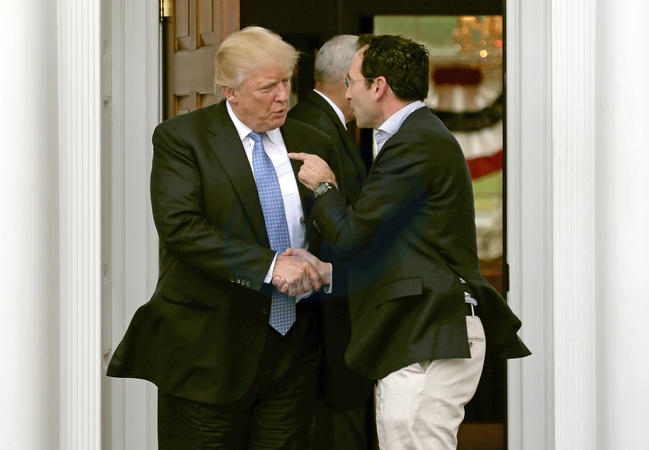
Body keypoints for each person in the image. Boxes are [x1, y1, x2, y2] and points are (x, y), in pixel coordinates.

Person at [283, 34, 531, 450]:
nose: (348, 95)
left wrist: (324, 186)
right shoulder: (415, 137)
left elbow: (351, 236)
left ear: (378, 86)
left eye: (351, 82)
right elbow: (394, 247)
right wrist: (328, 273)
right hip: (421, 334)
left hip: (426, 332)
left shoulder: (415, 142)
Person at [107, 26, 337, 450]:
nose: (283, 96)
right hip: (210, 352)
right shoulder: (183, 139)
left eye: (286, 82)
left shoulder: (313, 142)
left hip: (296, 350)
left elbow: (339, 229)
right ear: (230, 91)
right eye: (267, 87)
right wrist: (270, 266)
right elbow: (181, 227)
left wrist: (327, 225)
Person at [287, 35, 375, 450]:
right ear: (347, 79)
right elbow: (314, 222)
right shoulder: (312, 128)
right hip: (323, 308)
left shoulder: (321, 121)